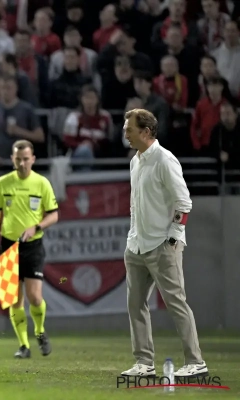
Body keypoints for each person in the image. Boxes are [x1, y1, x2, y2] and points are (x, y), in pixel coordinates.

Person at [121, 108, 208, 378]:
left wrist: (173, 237)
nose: (125, 134)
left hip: (162, 245)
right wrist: (132, 236)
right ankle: (144, 363)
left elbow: (184, 202)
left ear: (146, 131)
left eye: (129, 129)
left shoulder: (165, 159)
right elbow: (135, 204)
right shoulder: (135, 161)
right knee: (135, 305)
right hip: (136, 245)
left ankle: (196, 362)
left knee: (176, 303)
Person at [0, 139, 59, 359]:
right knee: (14, 299)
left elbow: (54, 214)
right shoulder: (2, 183)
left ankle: (40, 331)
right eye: (18, 159)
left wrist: (36, 226)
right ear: (12, 159)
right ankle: (23, 345)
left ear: (33, 159)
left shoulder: (42, 183)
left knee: (34, 297)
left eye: (26, 159)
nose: (22, 163)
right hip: (8, 245)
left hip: (33, 246)